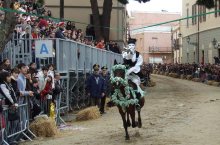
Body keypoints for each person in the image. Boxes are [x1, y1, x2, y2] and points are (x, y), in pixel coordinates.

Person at [122, 38, 144, 103]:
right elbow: (126, 58)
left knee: (136, 83)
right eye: (130, 45)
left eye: (132, 45)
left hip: (134, 74)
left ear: (135, 46)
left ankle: (138, 100)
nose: (131, 46)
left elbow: (137, 66)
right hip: (126, 72)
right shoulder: (124, 53)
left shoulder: (138, 55)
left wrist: (131, 70)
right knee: (120, 83)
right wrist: (129, 53)